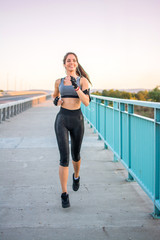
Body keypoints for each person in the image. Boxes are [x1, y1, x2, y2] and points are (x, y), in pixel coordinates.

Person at [53, 52, 91, 208]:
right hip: (62, 119)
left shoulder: (83, 81)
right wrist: (57, 101)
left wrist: (76, 87)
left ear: (76, 63)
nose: (71, 63)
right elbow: (54, 97)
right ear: (64, 64)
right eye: (68, 60)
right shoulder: (58, 81)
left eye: (73, 61)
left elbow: (86, 102)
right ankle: (64, 194)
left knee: (76, 155)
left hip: (77, 120)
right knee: (64, 158)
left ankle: (76, 176)